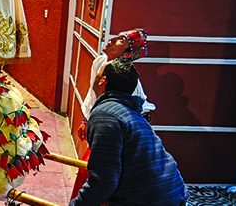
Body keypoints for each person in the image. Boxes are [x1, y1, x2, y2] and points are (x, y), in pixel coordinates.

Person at [70, 58, 188, 205]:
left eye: (98, 74)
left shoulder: (106, 115)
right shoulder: (130, 113)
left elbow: (104, 181)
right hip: (172, 193)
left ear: (103, 81)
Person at [71, 28, 156, 199]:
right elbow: (92, 93)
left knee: (95, 173)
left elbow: (139, 112)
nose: (111, 39)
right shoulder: (100, 62)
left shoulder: (129, 80)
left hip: (117, 137)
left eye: (120, 40)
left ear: (127, 52)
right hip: (100, 124)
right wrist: (86, 119)